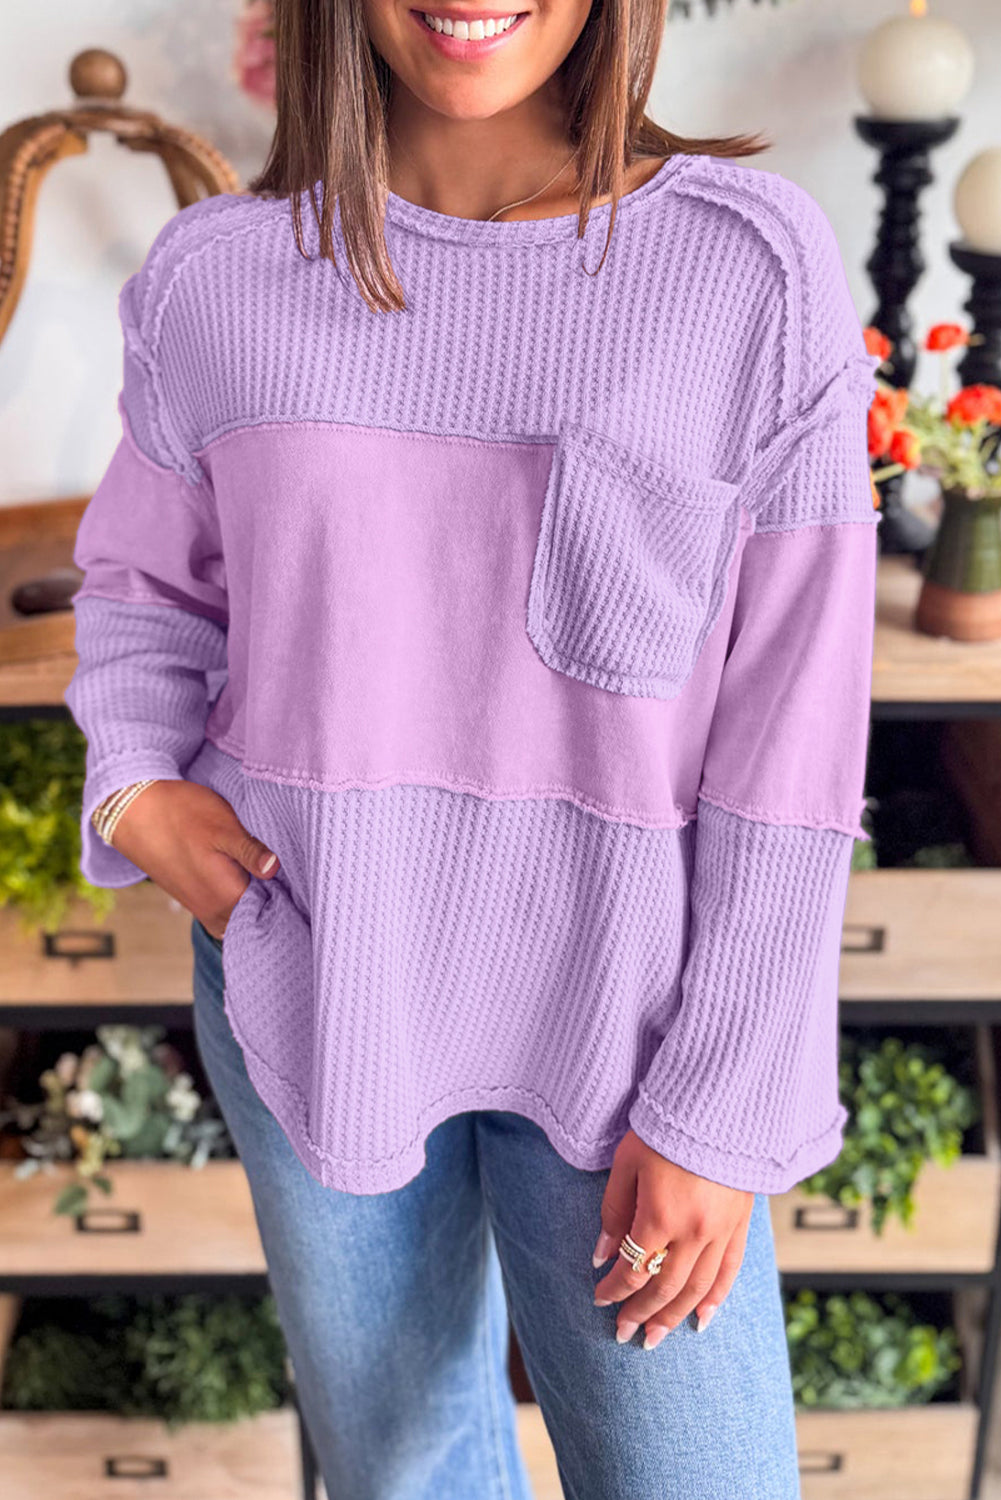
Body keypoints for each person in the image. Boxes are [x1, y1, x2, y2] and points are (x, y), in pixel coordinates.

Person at [64, 0, 882, 1495]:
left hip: (626, 1019)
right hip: (312, 973)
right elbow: (142, 588)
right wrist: (135, 788)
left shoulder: (745, 269)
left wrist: (719, 1101)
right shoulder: (217, 278)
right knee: (403, 1471)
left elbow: (794, 732)